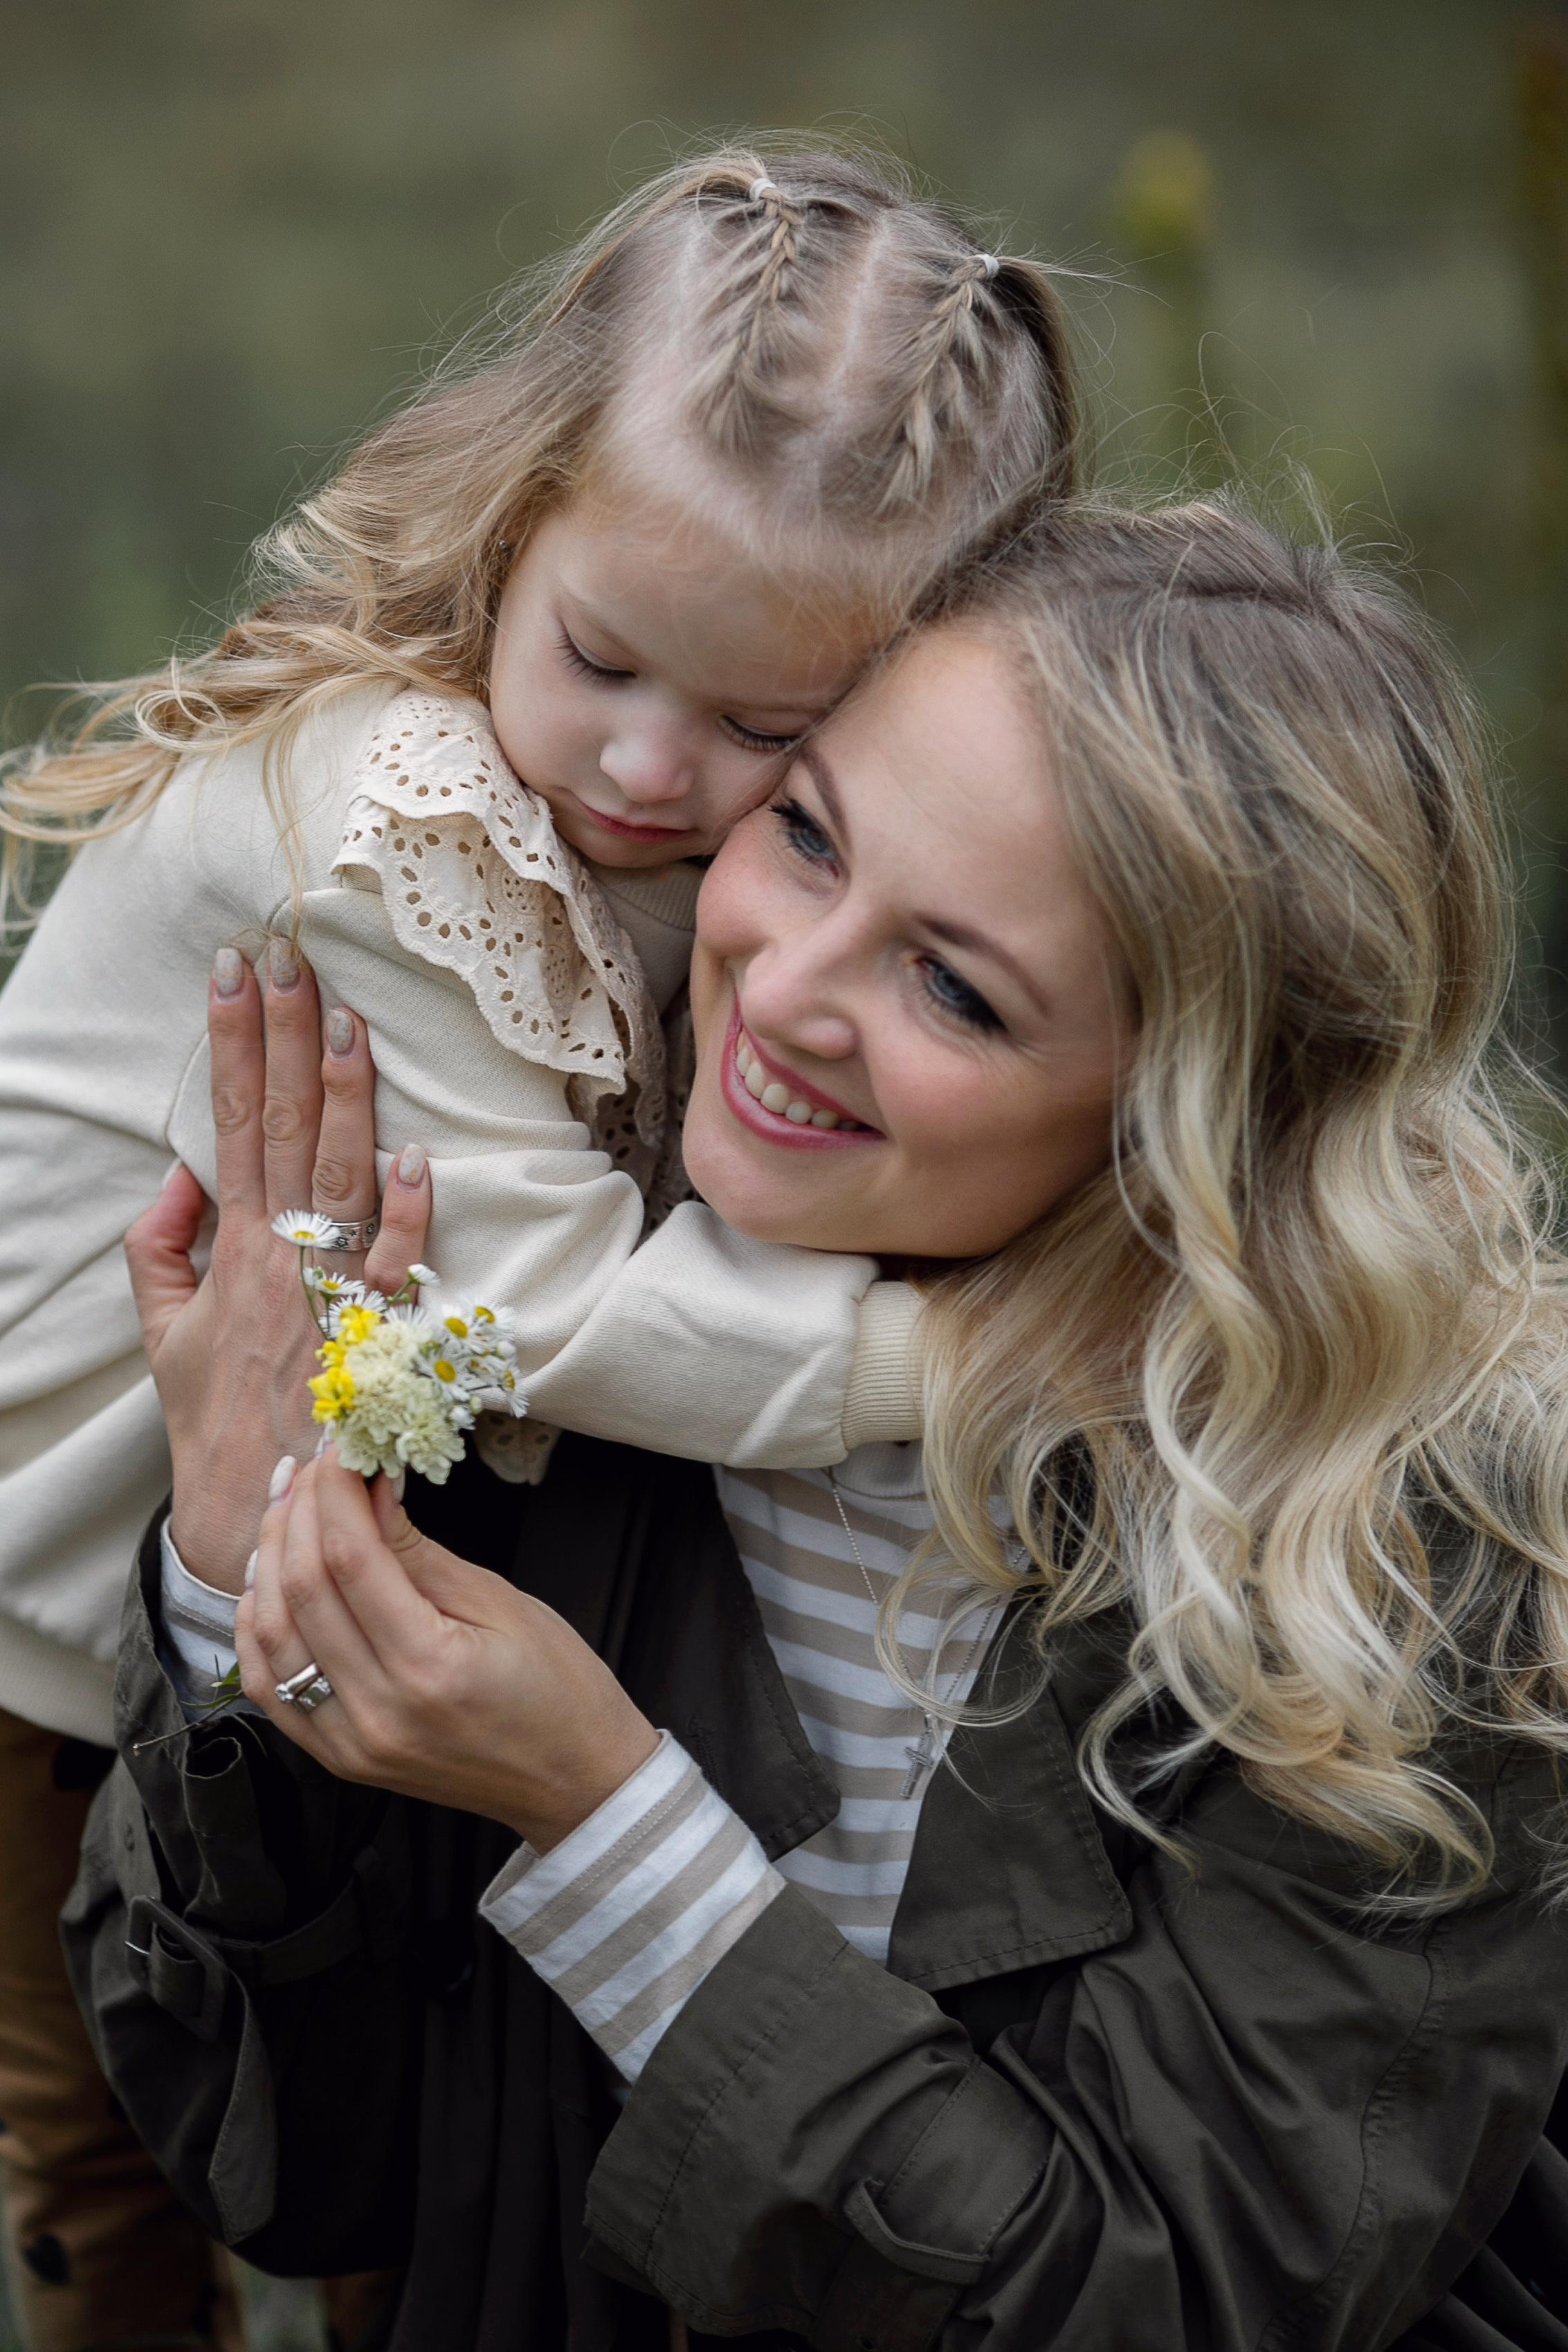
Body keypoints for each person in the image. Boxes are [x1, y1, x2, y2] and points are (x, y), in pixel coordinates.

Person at [73, 497, 1568, 2350]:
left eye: (950, 984)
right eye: (801, 836)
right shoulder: (559, 1345)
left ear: (1184, 1124)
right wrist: (240, 1593)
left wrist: (602, 1814)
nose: (774, 990)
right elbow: (290, 2166)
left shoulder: (1398, 1567)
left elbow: (1169, 2301)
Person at [0, 142, 1083, 2346]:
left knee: (324, 2094)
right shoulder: (406, 829)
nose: (648, 770)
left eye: (768, 730)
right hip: (27, 1620)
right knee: (104, 2139)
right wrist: (994, 1360)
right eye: (601, 657)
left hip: (256, 1557)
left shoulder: (562, 762)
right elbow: (566, 1316)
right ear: (514, 521)